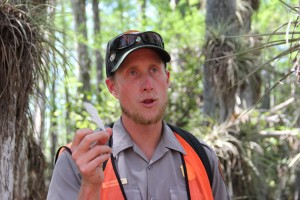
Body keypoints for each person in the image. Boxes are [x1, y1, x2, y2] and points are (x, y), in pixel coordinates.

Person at [47, 30, 230, 200]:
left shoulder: (202, 157)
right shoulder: (77, 161)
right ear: (113, 88)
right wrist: (90, 185)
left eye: (154, 70)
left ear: (167, 79)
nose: (147, 84)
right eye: (133, 72)